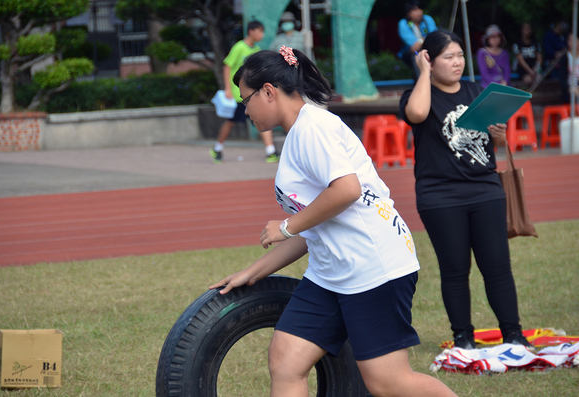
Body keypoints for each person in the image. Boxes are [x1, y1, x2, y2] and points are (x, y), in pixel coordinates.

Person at [210, 46, 457, 397]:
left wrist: (285, 227)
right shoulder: (298, 132)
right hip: (332, 272)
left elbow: (347, 190)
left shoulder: (314, 127)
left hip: (373, 266)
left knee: (388, 383)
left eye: (245, 98)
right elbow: (314, 225)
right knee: (286, 360)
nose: (243, 108)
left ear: (268, 91)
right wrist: (253, 271)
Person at [399, 29, 534, 351]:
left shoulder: (477, 90)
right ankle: (464, 339)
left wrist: (498, 135)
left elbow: (491, 143)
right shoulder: (418, 94)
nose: (457, 62)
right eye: (448, 57)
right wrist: (424, 73)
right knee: (455, 270)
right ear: (430, 60)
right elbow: (416, 114)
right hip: (440, 195)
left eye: (460, 55)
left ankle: (513, 335)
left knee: (498, 267)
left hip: (485, 189)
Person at [210, 20, 279, 164]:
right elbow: (227, 66)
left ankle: (270, 151)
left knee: (262, 118)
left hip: (252, 94)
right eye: (260, 31)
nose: (262, 34)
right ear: (251, 31)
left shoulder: (256, 50)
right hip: (238, 95)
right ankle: (217, 148)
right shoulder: (239, 47)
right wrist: (228, 88)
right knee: (231, 122)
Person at [397, 0, 438, 79]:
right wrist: (424, 39)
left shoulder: (427, 19)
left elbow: (435, 37)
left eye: (419, 9)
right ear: (409, 13)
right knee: (417, 54)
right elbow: (414, 47)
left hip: (429, 49)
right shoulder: (404, 24)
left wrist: (421, 41)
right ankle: (421, 79)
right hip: (410, 53)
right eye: (414, 10)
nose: (418, 12)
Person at [559, 33, 579, 104]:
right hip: (570, 89)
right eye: (569, 40)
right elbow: (563, 78)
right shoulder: (565, 58)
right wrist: (569, 89)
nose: (570, 42)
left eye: (573, 40)